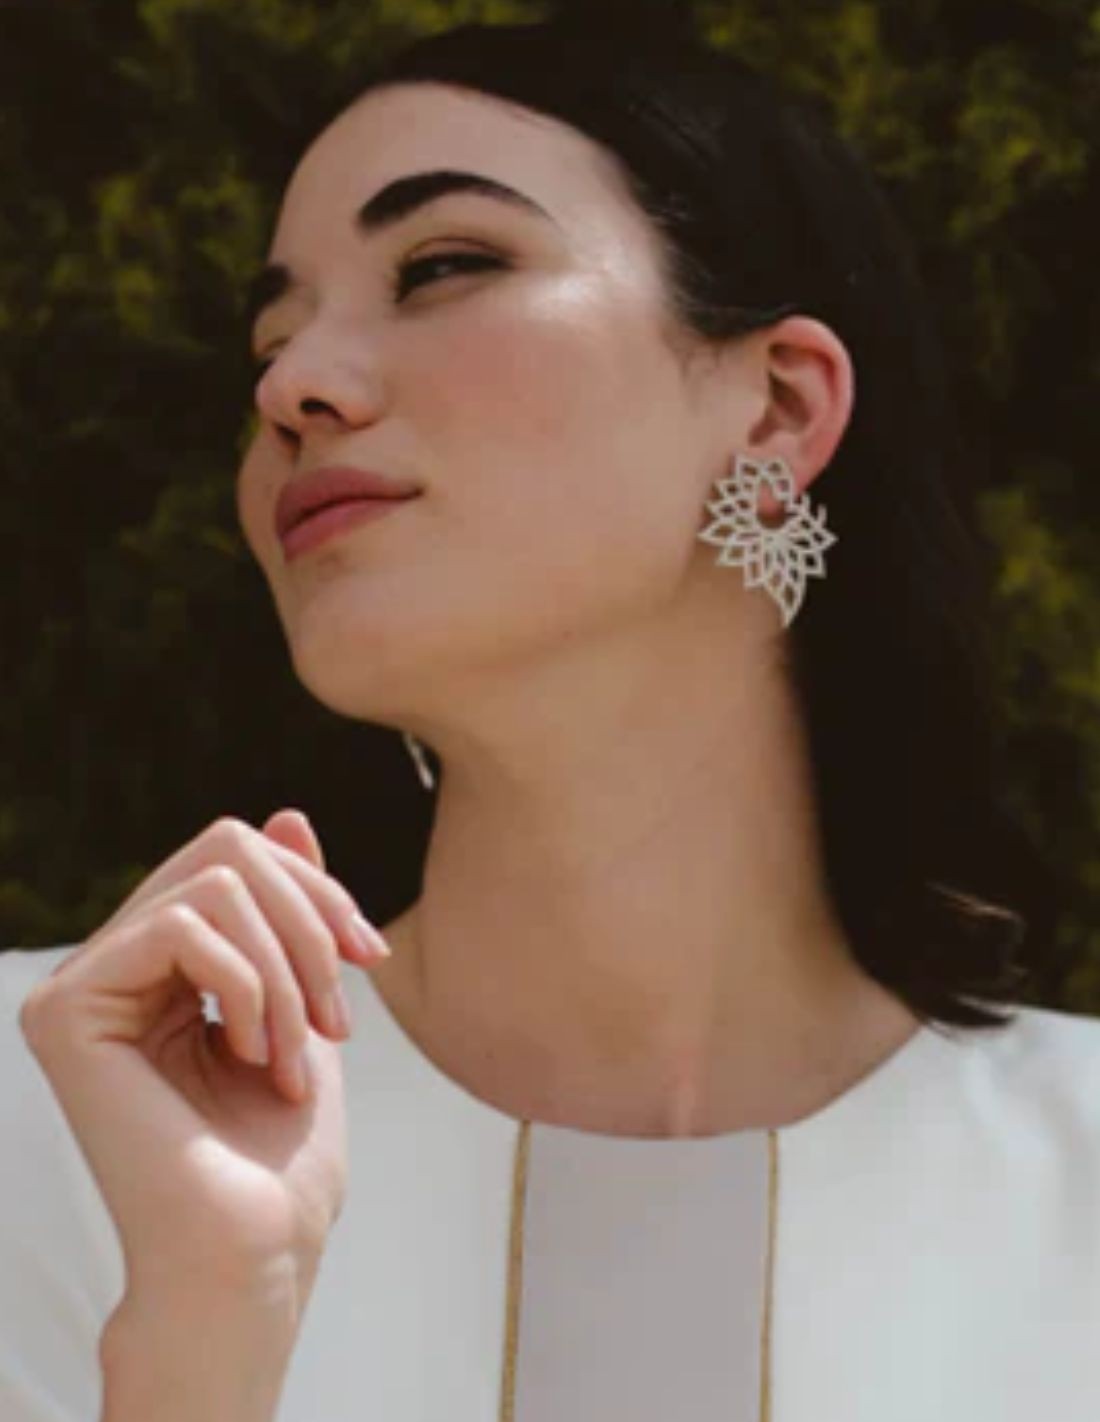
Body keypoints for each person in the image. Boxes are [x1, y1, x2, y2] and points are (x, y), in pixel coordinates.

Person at [2, 10, 1098, 1422]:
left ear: (777, 405)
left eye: (442, 267)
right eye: (272, 337)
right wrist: (200, 1337)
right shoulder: (53, 1099)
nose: (289, 385)